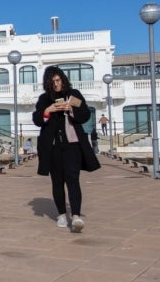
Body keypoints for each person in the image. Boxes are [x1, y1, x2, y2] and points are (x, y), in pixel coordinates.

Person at [32, 66, 100, 233]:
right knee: (57, 182)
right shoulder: (44, 99)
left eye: (58, 80)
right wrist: (47, 112)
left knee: (73, 179)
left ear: (63, 79)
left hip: (73, 144)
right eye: (53, 81)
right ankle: (62, 214)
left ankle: (76, 215)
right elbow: (37, 119)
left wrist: (71, 109)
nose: (56, 84)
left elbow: (85, 114)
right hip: (53, 146)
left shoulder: (73, 95)